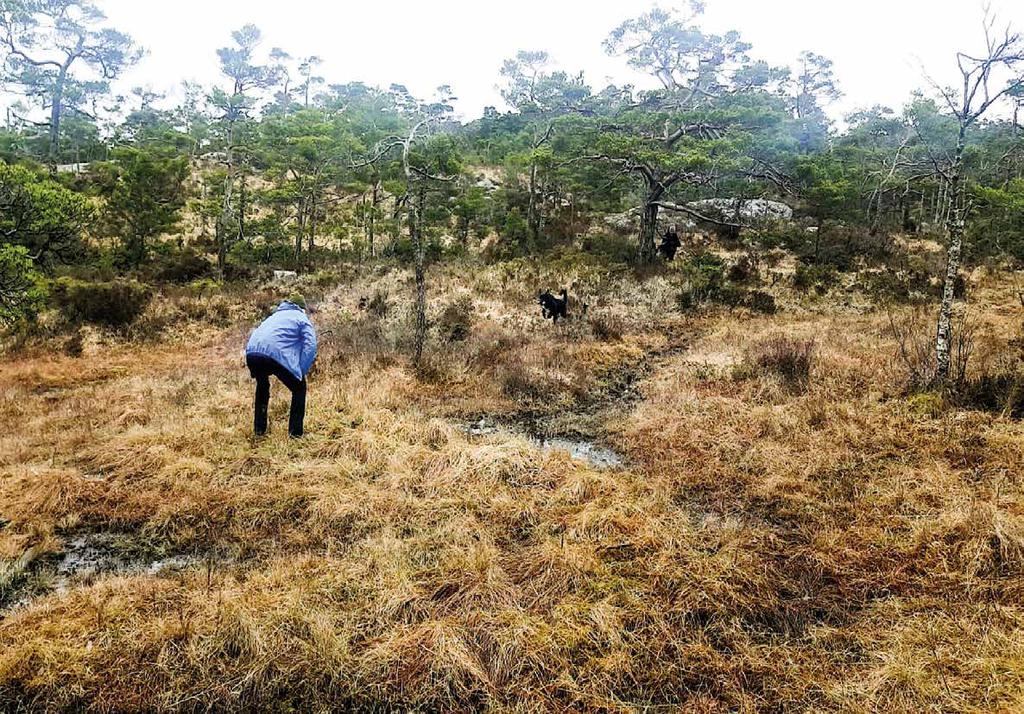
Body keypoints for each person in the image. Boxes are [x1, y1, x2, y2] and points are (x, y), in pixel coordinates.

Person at [245, 295, 318, 438]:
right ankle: (295, 434)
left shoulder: (274, 316)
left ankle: (259, 431)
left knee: (262, 385)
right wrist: (301, 371)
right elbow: (310, 346)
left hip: (252, 353)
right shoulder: (301, 318)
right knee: (299, 388)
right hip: (272, 354)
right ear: (302, 308)